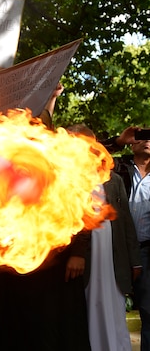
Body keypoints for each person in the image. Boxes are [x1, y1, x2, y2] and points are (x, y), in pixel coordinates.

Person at [67, 124, 140, 351]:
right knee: (88, 309)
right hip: (86, 256)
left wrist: (134, 260)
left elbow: (126, 222)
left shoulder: (113, 179)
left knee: (113, 308)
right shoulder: (67, 180)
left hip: (111, 254)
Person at [103, 125, 150, 350]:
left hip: (147, 252)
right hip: (116, 249)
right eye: (143, 137)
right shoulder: (120, 167)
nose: (147, 141)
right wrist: (119, 141)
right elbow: (87, 154)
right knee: (112, 306)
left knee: (149, 312)